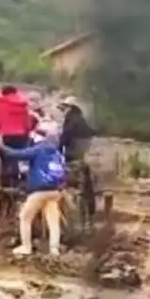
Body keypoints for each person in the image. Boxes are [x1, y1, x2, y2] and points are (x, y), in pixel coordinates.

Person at [0, 126, 67, 256]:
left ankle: (26, 247)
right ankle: (54, 249)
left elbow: (17, 154)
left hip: (39, 191)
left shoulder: (39, 149)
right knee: (53, 221)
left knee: (25, 217)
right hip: (55, 191)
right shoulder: (58, 154)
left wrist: (2, 147)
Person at [58, 96, 96, 229]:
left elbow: (64, 137)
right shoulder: (82, 120)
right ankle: (89, 214)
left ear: (70, 108)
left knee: (68, 183)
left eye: (64, 108)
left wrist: (57, 151)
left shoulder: (71, 120)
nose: (63, 111)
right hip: (82, 157)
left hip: (73, 156)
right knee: (85, 187)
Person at [0, 85, 33, 187]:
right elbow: (28, 124)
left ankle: (6, 182)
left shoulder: (1, 104)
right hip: (22, 136)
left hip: (7, 136)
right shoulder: (23, 105)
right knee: (19, 157)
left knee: (6, 157)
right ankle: (19, 180)